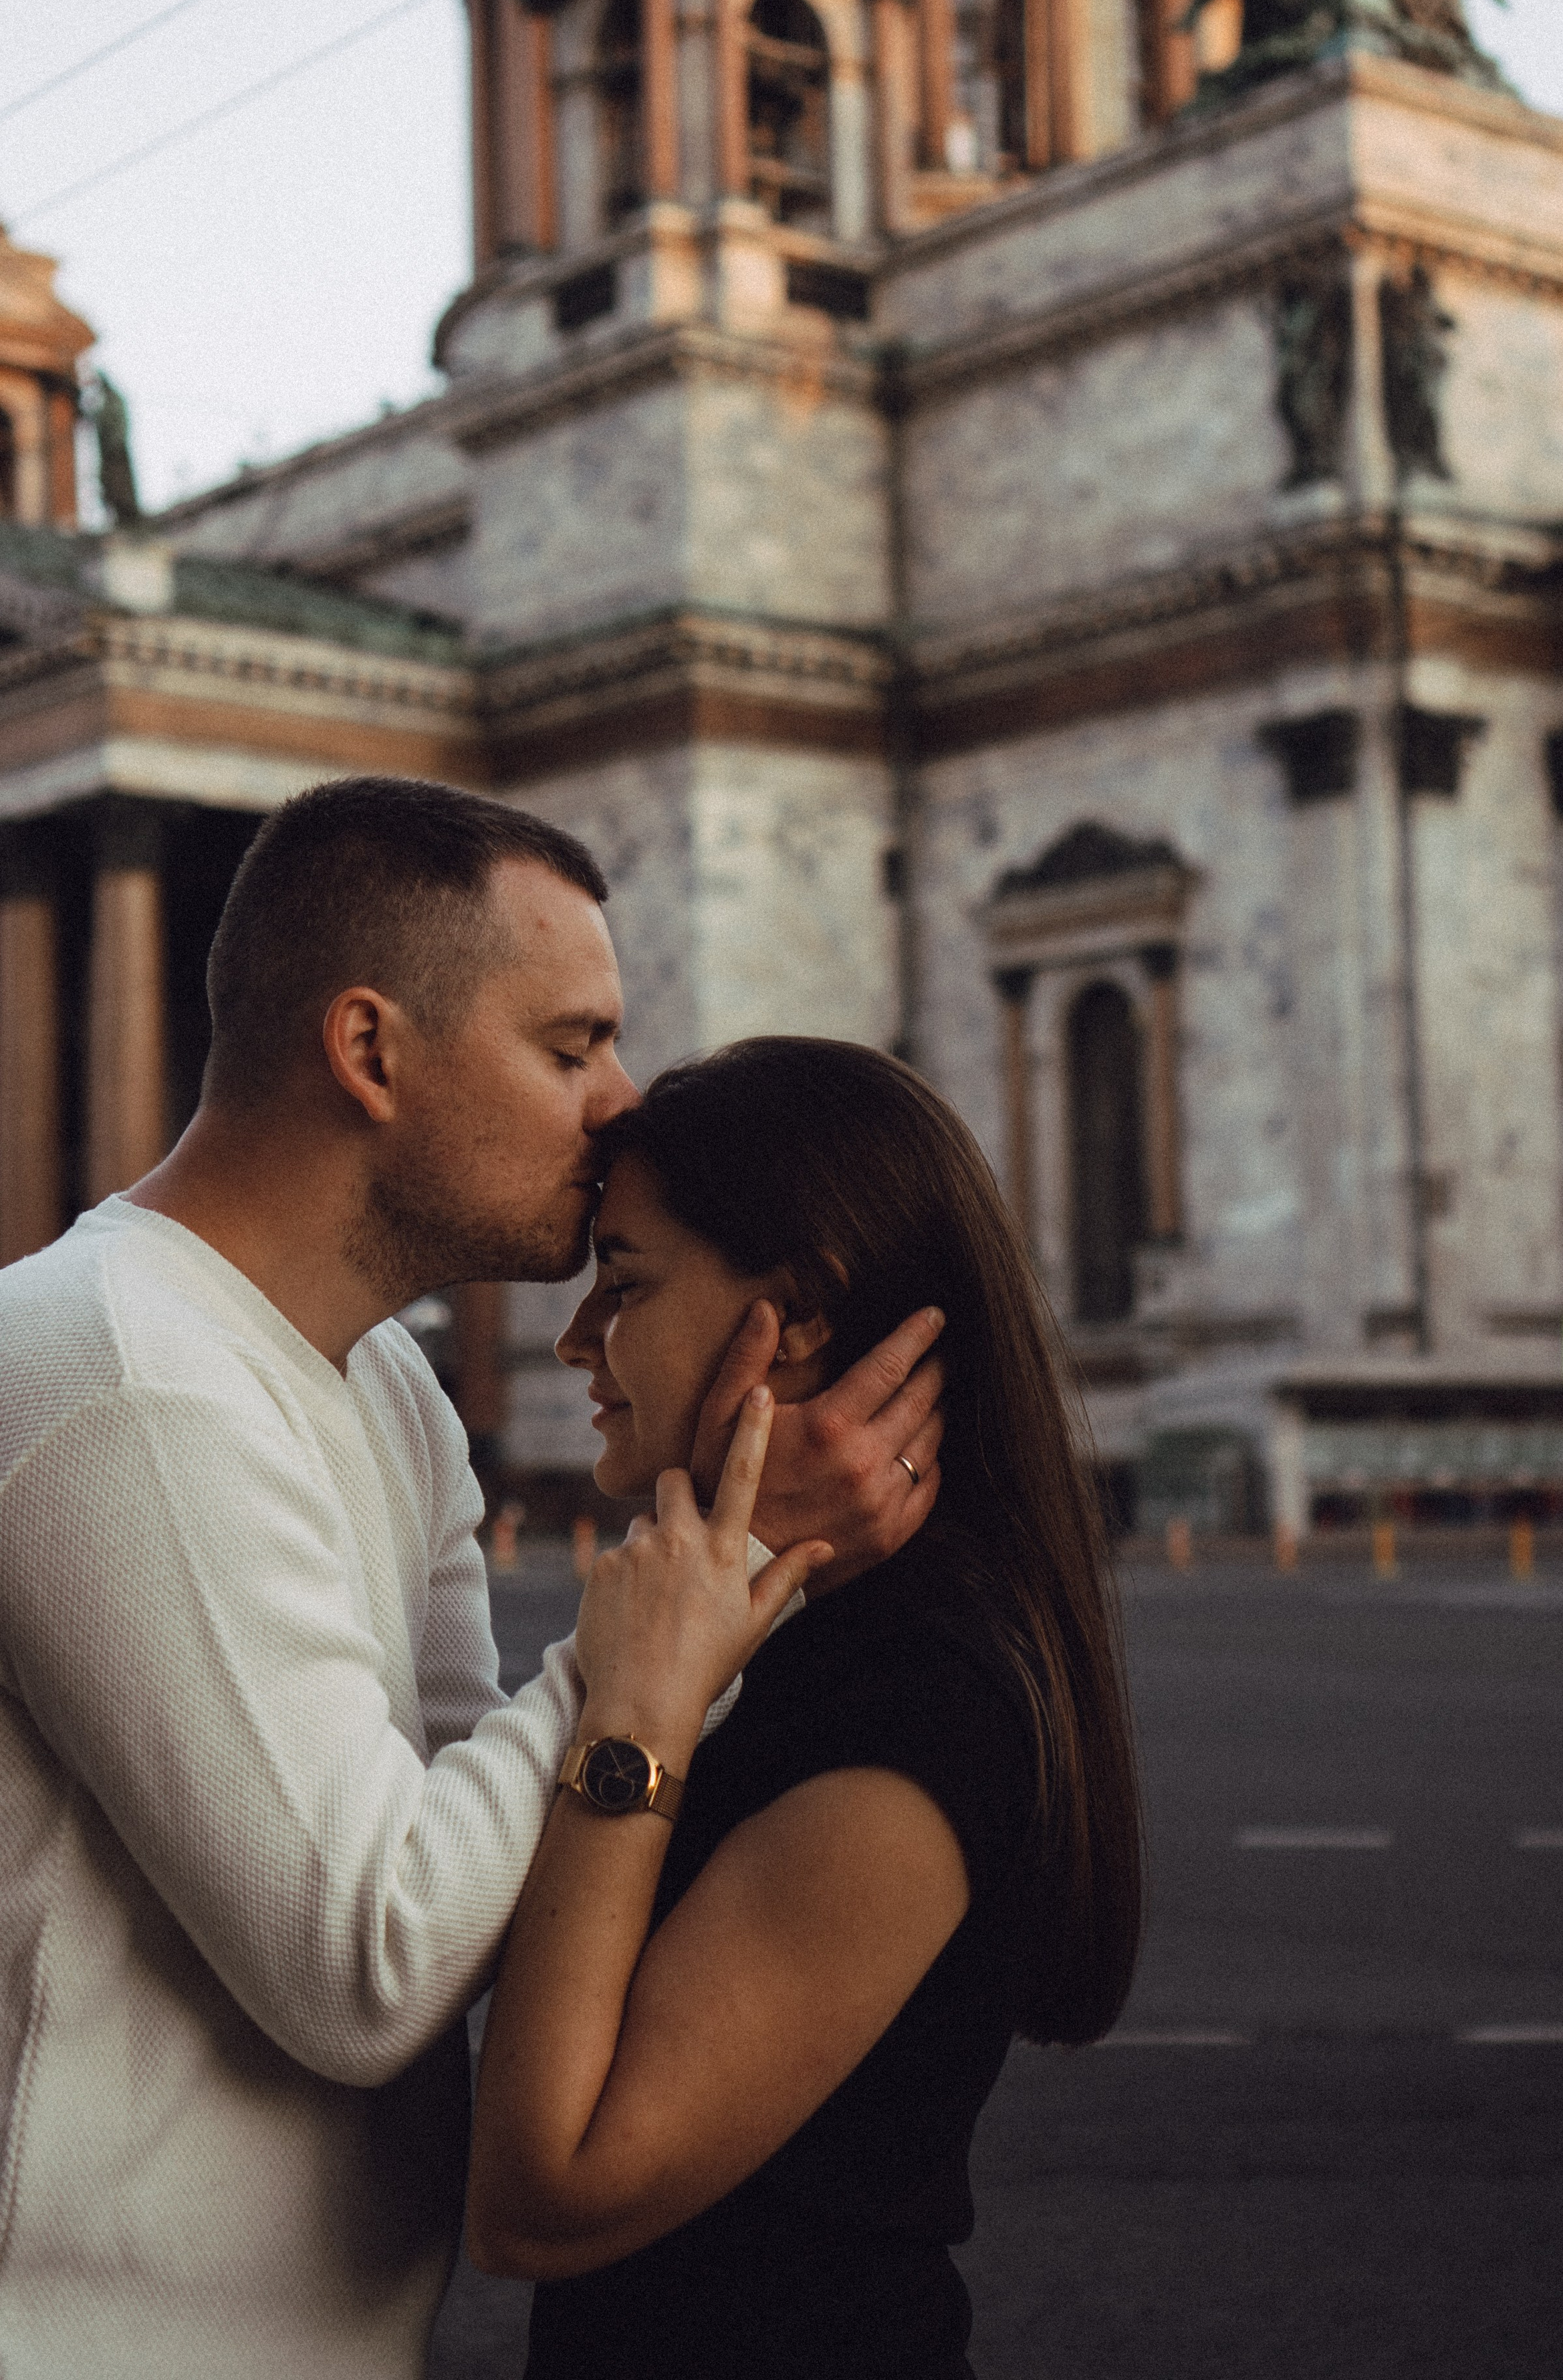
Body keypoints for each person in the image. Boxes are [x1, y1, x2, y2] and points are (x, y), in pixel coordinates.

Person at [0, 779, 944, 2380]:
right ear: (369, 1052)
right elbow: (376, 1965)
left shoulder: (388, 1392)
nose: (620, 1102)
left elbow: (486, 1874)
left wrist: (691, 1608)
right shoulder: (115, 1376)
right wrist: (679, 1619)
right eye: (569, 1046)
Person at [467, 1037, 1145, 2379]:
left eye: (626, 1281)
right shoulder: (807, 1631)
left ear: (803, 1316)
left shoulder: (914, 1707)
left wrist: (643, 1705)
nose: (573, 1340)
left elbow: (542, 2200)